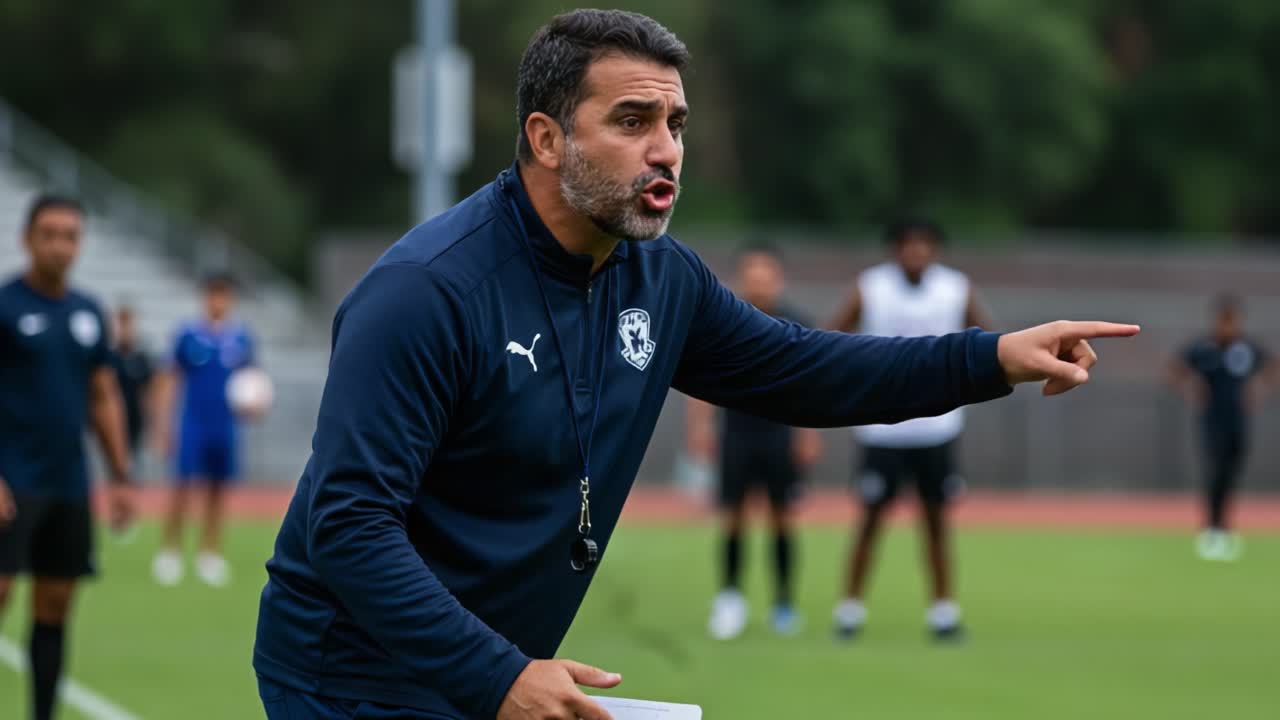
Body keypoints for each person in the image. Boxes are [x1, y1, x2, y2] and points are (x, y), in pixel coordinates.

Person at [252, 10, 1137, 720]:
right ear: (547, 139)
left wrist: (991, 359)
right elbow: (350, 527)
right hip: (354, 678)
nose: (667, 148)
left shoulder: (658, 276)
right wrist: (498, 677)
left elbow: (806, 370)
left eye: (675, 122)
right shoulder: (425, 291)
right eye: (632, 121)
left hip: (486, 677)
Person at [0, 194, 136, 720]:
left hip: (68, 482)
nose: (60, 245)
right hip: (12, 479)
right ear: (27, 239)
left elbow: (103, 396)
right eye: (49, 234)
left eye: (70, 235)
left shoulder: (87, 314)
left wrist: (121, 476)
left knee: (55, 606)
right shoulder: (6, 306)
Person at [826, 218, 992, 641]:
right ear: (894, 249)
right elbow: (828, 339)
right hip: (882, 428)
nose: (916, 251)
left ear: (935, 249)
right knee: (870, 520)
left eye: (925, 244)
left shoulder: (956, 288)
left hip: (936, 427)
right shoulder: (871, 287)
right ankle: (849, 610)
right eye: (907, 244)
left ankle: (943, 613)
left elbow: (987, 340)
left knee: (937, 521)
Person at [689, 246, 822, 640]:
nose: (759, 278)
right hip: (736, 434)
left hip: (780, 433)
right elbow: (699, 377)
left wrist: (809, 432)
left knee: (782, 518)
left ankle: (783, 603)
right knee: (733, 517)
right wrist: (701, 426)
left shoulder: (797, 322)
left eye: (766, 271)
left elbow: (810, 385)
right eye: (752, 271)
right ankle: (730, 599)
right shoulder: (723, 319)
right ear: (742, 276)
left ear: (777, 276)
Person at [151, 272, 257, 587]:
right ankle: (170, 551)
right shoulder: (188, 335)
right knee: (182, 487)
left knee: (218, 490)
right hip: (192, 423)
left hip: (224, 427)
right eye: (213, 294)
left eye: (223, 295)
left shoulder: (242, 339)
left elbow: (252, 384)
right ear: (205, 298)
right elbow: (169, 378)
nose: (218, 301)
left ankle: (209, 553)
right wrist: (163, 423)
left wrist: (254, 405)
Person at [1168, 294, 1276, 561]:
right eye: (1223, 321)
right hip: (1211, 421)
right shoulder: (1203, 349)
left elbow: (1272, 367)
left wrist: (1259, 390)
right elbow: (1175, 369)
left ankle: (1224, 527)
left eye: (1232, 321)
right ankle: (1212, 529)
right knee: (1215, 471)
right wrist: (1191, 387)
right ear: (1216, 321)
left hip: (1238, 422)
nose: (1228, 326)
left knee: (1231, 473)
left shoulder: (1247, 349)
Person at [109, 305, 154, 459]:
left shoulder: (141, 358)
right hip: (112, 420)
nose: (125, 329)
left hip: (136, 420)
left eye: (129, 324)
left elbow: (148, 390)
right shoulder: (109, 358)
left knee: (135, 464)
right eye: (122, 324)